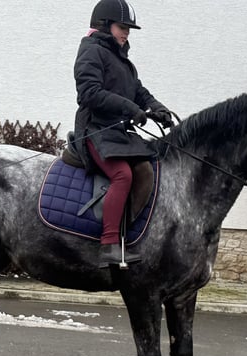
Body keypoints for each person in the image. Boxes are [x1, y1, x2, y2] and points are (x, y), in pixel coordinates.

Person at [73, 0, 173, 268]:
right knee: (122, 174)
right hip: (95, 129)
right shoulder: (91, 51)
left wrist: (156, 108)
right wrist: (129, 108)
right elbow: (89, 93)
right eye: (122, 27)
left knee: (146, 168)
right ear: (104, 25)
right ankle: (108, 245)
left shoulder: (121, 59)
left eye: (129, 29)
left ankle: (128, 233)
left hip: (117, 133)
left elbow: (137, 90)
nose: (126, 33)